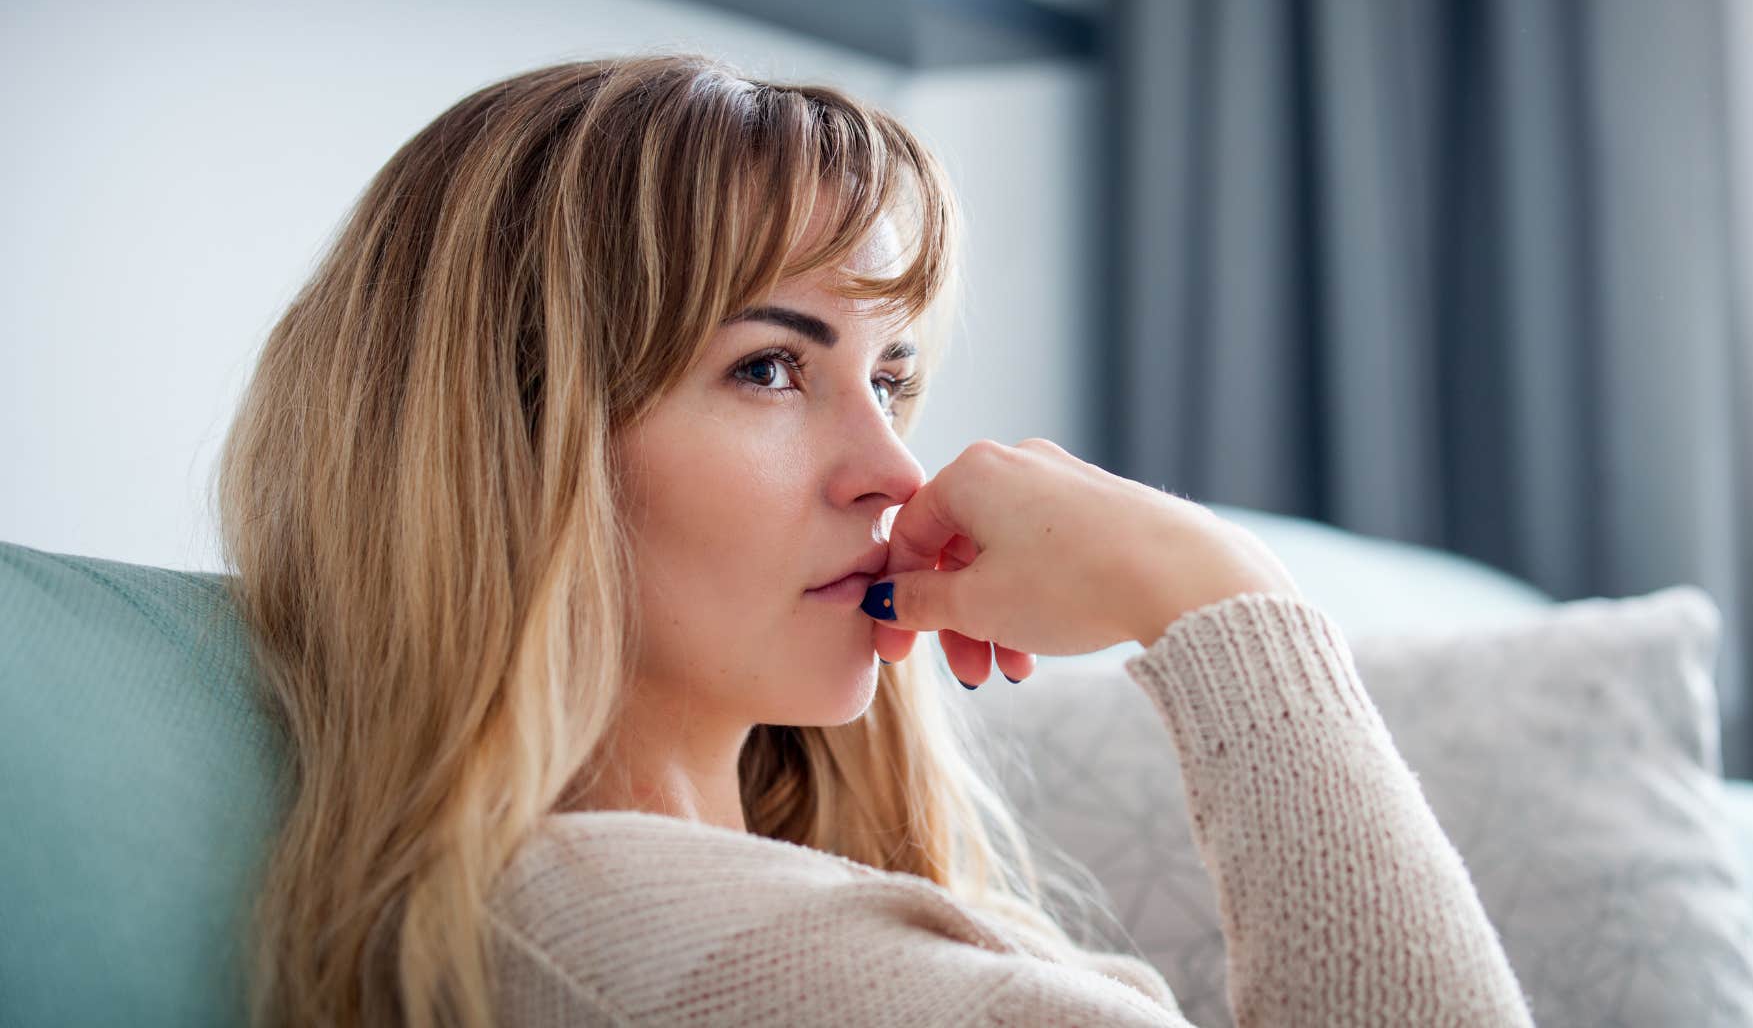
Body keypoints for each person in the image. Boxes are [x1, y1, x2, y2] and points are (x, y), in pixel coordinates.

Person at [215, 51, 1535, 1026]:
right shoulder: (644, 943)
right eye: (770, 371)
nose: (894, 467)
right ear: (510, 440)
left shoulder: (720, 912)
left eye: (891, 377)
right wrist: (1217, 600)